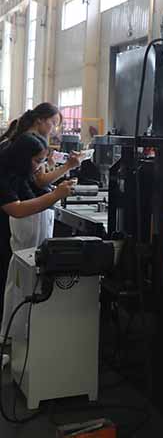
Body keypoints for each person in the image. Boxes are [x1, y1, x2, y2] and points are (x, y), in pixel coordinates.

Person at [0, 134, 75, 365]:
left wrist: (57, 189)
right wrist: (55, 195)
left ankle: (12, 339)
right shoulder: (4, 174)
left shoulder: (22, 173)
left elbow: (37, 190)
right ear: (23, 157)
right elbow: (18, 209)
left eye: (43, 160)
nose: (40, 166)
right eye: (37, 160)